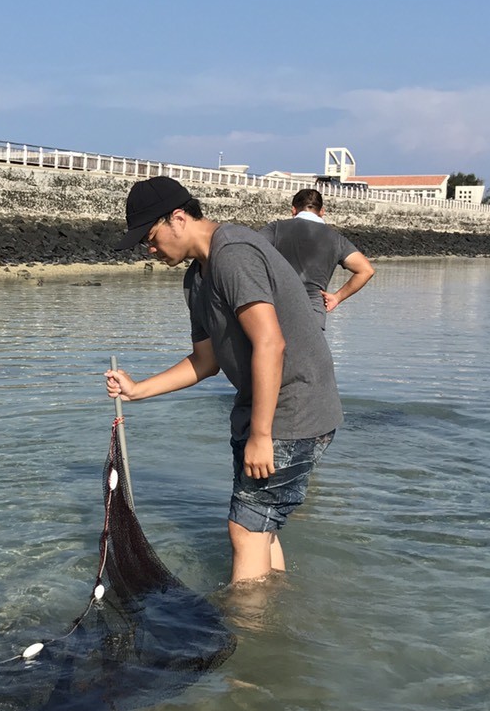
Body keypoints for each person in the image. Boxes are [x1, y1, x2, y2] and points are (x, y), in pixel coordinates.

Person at [106, 176, 343, 585]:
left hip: (295, 409)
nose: (149, 247)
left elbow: (271, 342)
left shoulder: (232, 252)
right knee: (259, 526)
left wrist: (262, 434)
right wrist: (138, 389)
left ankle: (247, 637)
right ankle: (274, 614)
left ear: (178, 218)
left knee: (245, 529)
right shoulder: (195, 279)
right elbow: (205, 360)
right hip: (261, 411)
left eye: (150, 236)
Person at [258, 188, 374, 331]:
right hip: (313, 313)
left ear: (294, 210)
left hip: (277, 309)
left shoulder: (276, 229)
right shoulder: (337, 240)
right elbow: (366, 270)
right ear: (322, 211)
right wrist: (337, 297)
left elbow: (248, 250)